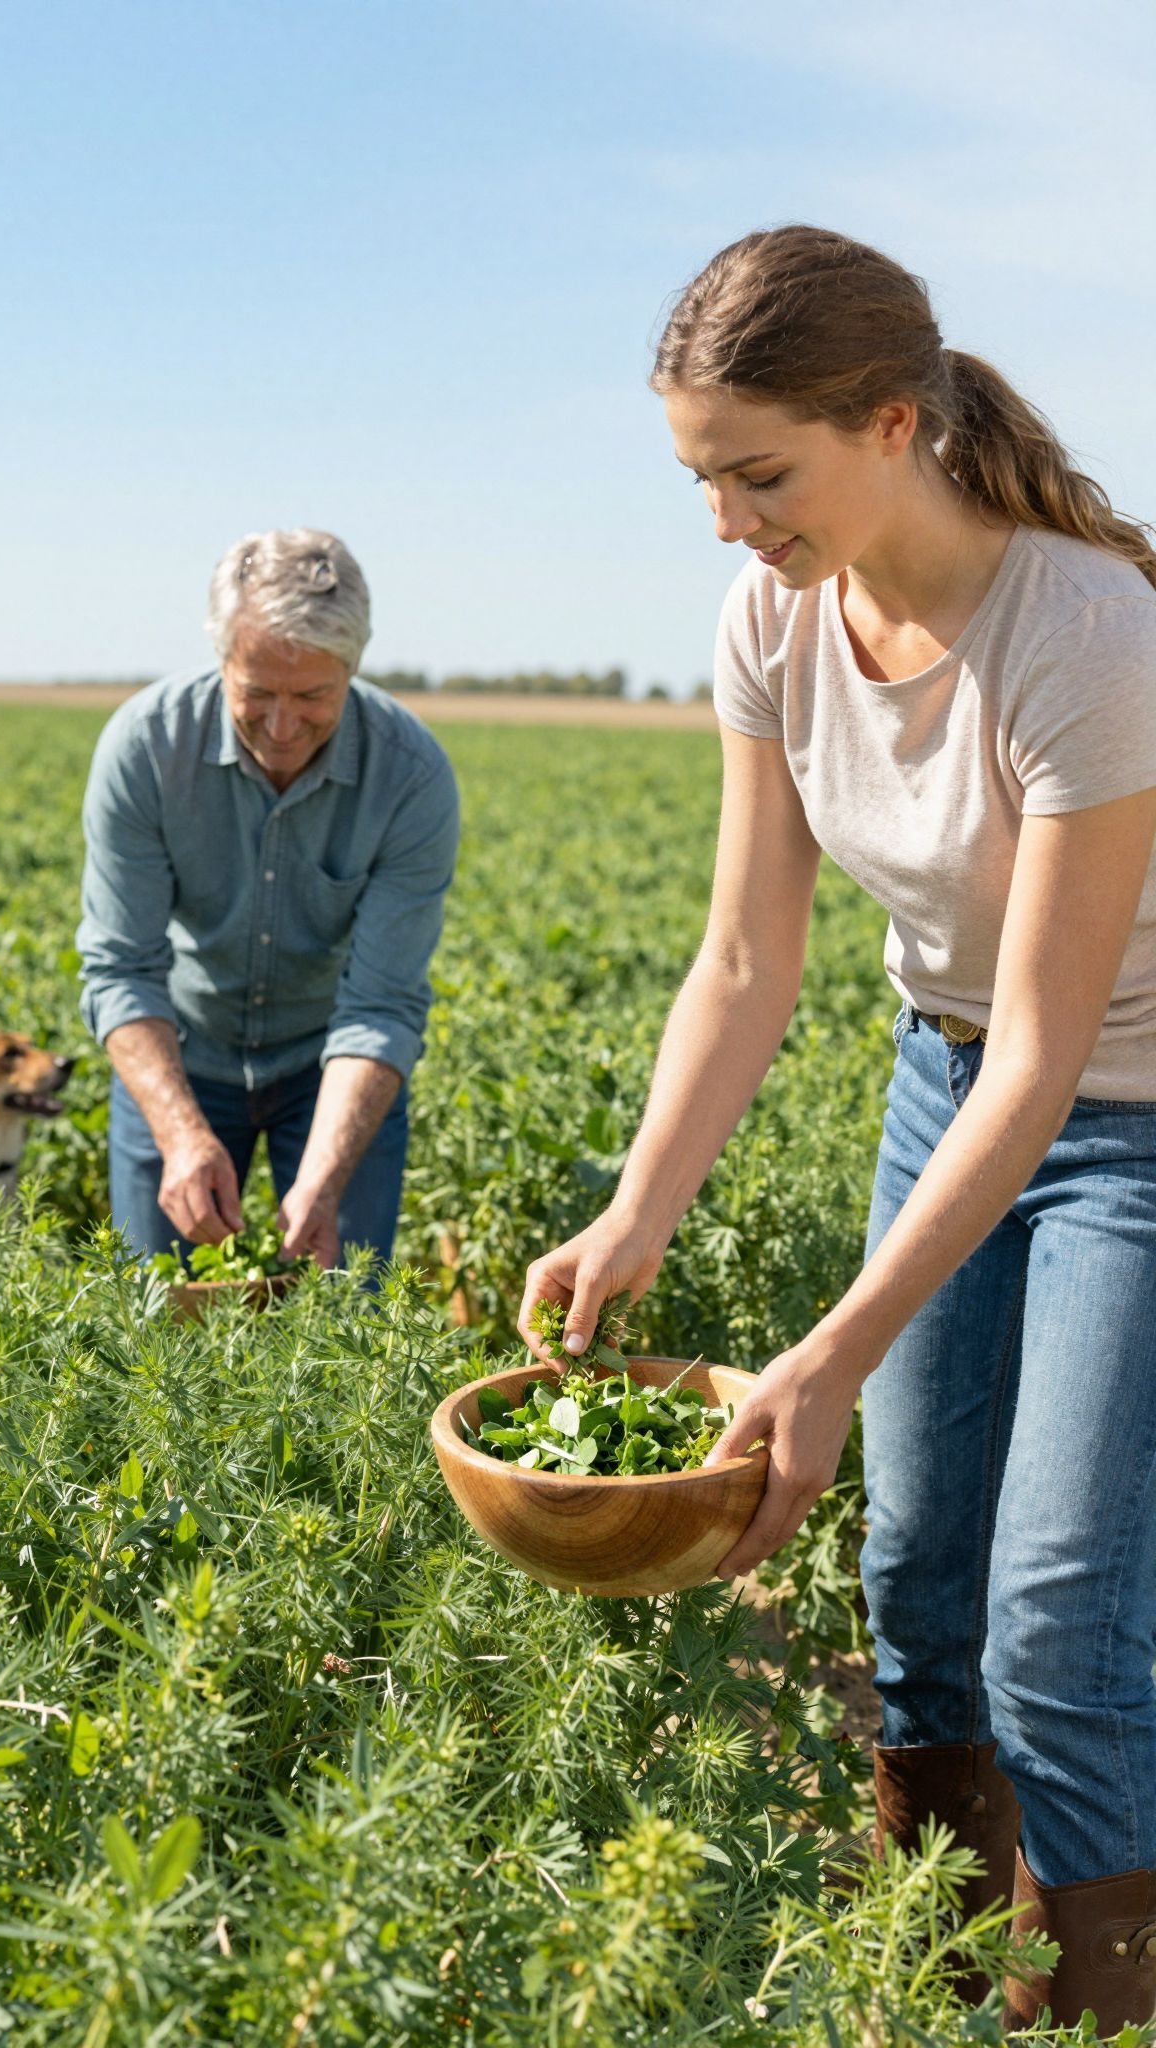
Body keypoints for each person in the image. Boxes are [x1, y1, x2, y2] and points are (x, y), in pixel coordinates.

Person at [520, 226, 1156, 2032]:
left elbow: (1049, 1059)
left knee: (1055, 1618)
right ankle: (948, 1975)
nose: (726, 521)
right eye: (700, 478)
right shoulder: (770, 618)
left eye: (757, 473)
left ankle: (1098, 2007)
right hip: (938, 1082)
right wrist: (641, 1206)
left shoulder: (1088, 631)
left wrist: (816, 1354)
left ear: (891, 424)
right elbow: (742, 955)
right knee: (909, 1570)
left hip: (1131, 1122)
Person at [78, 528, 459, 1269]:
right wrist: (181, 1134)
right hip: (179, 1052)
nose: (282, 727)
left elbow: (381, 1006)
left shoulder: (411, 777)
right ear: (222, 660)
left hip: (329, 1069)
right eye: (255, 693)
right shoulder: (145, 749)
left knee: (341, 1326)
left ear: (353, 667)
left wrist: (322, 1179)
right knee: (151, 1328)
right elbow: (122, 969)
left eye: (314, 696)